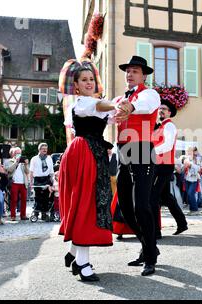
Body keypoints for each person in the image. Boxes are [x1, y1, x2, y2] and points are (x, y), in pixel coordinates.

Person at [59, 66, 119, 281]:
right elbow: (100, 105)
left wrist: (121, 108)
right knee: (87, 203)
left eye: (91, 79)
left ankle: (74, 253)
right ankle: (81, 262)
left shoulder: (95, 105)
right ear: (76, 85)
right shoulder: (82, 103)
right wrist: (116, 104)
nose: (89, 82)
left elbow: (109, 113)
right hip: (83, 153)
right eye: (84, 80)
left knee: (91, 203)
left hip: (94, 154)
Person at [113, 56, 160, 276]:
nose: (130, 74)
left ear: (143, 75)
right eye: (128, 71)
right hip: (123, 150)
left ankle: (150, 257)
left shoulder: (149, 94)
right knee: (124, 206)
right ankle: (148, 246)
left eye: (135, 71)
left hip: (142, 149)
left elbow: (144, 106)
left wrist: (129, 106)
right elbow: (106, 112)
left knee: (142, 206)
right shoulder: (120, 97)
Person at [151, 99, 188, 238]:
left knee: (153, 197)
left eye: (164, 109)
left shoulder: (169, 126)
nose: (161, 110)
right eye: (160, 108)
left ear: (169, 113)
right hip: (159, 164)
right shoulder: (160, 126)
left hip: (164, 165)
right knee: (165, 196)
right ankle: (182, 223)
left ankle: (156, 231)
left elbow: (167, 145)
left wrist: (151, 151)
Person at [29, 143, 54, 221]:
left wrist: (52, 181)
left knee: (46, 197)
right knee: (38, 197)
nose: (45, 150)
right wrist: (31, 182)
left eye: (46, 148)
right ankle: (36, 213)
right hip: (37, 179)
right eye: (43, 148)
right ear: (39, 149)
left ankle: (44, 214)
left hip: (46, 179)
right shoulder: (34, 159)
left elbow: (51, 171)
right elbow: (31, 171)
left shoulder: (49, 158)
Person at [5, 147, 30, 221]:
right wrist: (16, 162)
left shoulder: (23, 161)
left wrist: (26, 164)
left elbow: (27, 171)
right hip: (14, 183)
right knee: (14, 199)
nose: (18, 154)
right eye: (17, 153)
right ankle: (13, 215)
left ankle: (23, 215)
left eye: (19, 153)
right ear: (13, 154)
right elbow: (9, 170)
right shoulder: (9, 161)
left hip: (23, 183)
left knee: (24, 199)